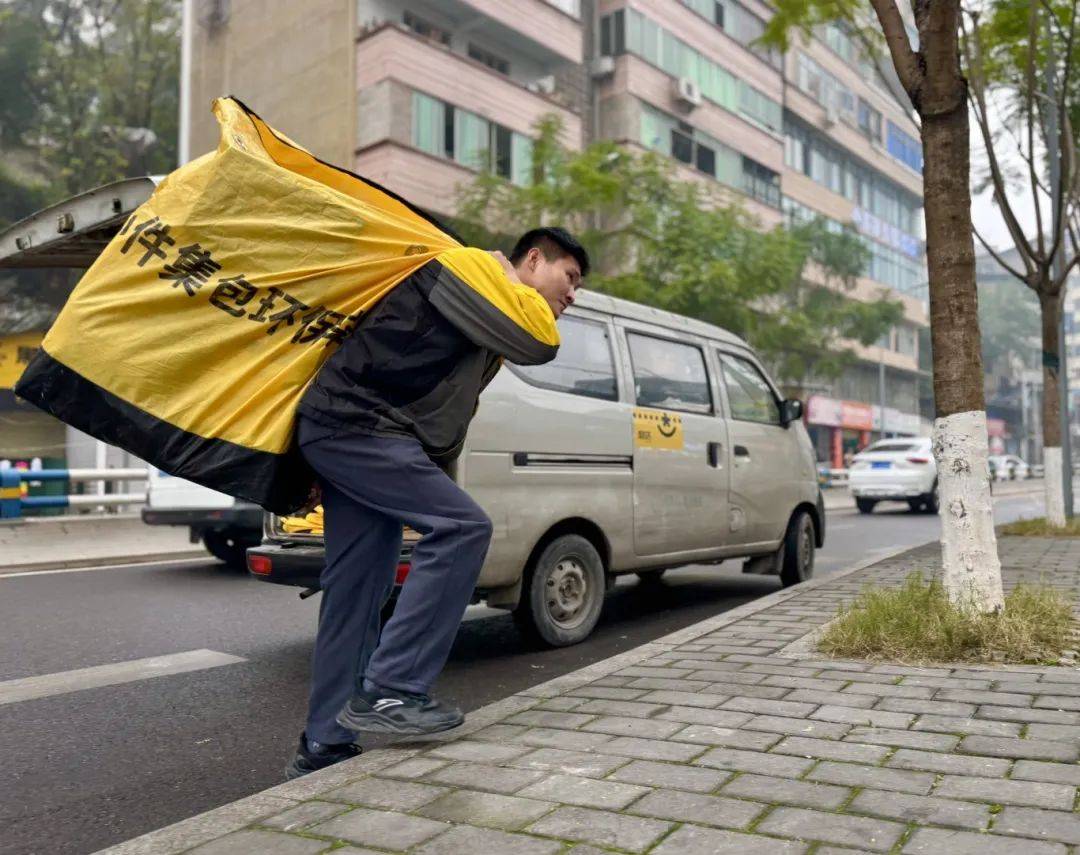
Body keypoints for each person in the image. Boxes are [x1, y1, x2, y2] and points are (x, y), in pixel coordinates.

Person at [286, 227, 589, 779]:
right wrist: (504, 276)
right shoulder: (475, 272)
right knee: (464, 527)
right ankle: (394, 690)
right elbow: (540, 343)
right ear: (534, 259)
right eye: (568, 278)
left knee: (357, 591)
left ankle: (322, 744)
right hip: (358, 430)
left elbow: (435, 420)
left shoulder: (486, 306)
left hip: (352, 434)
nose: (572, 295)